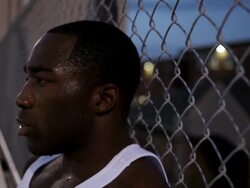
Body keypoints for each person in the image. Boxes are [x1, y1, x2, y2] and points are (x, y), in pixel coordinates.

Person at [15, 21, 168, 188]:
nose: (22, 99)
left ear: (104, 99)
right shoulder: (38, 167)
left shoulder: (138, 183)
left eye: (42, 81)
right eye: (27, 78)